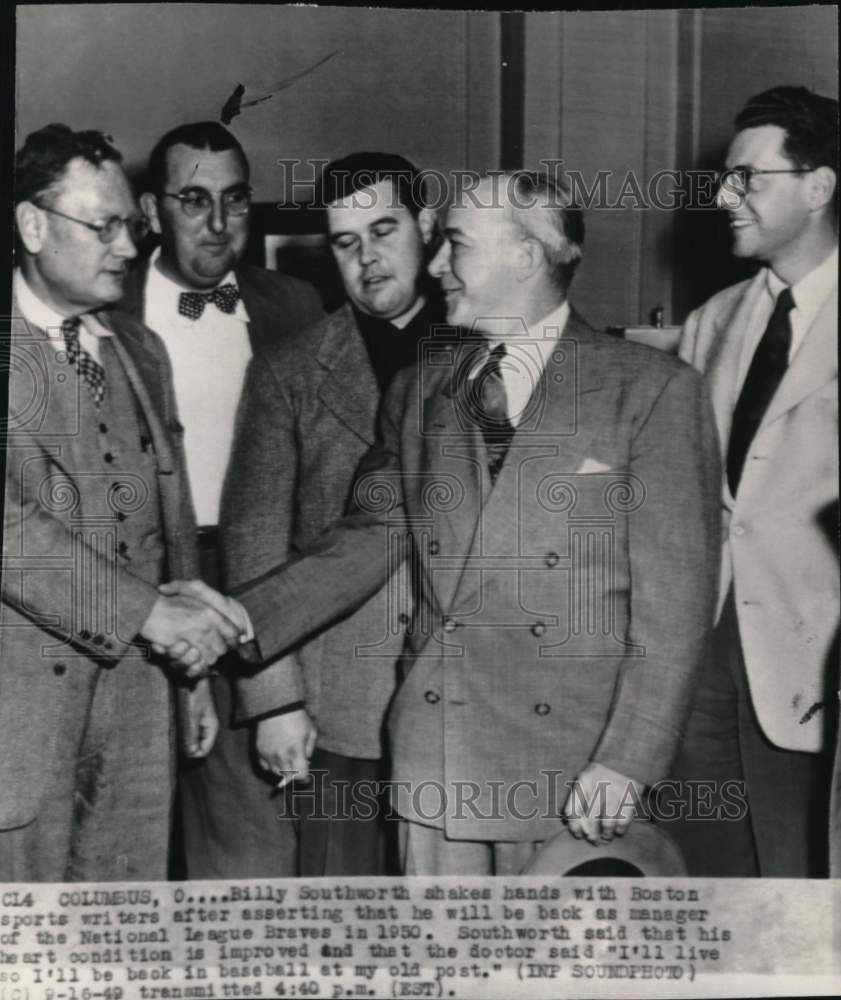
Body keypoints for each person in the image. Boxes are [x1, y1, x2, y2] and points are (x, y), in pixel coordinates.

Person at [174, 168, 720, 874]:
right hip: (439, 757)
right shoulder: (421, 390)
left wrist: (629, 760)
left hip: (576, 769)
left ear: (524, 256)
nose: (434, 265)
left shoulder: (650, 391)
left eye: (455, 244)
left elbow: (674, 608)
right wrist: (241, 619)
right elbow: (367, 539)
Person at [4, 124, 246, 881]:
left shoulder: (142, 349)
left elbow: (172, 523)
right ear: (33, 225)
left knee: (126, 924)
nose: (128, 246)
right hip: (18, 720)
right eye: (103, 226)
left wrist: (191, 681)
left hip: (141, 708)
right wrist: (149, 615)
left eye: (130, 226)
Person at [221, 152, 442, 876]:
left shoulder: (491, 346)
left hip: (474, 702)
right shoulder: (287, 371)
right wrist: (273, 701)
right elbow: (254, 543)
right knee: (342, 912)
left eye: (384, 231)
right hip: (342, 705)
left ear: (427, 225)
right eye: (346, 242)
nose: (366, 257)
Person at [119, 121, 324, 878]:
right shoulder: (106, 307)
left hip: (252, 582)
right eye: (193, 200)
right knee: (123, 830)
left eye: (234, 201)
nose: (216, 223)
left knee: (249, 846)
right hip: (136, 585)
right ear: (152, 210)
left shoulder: (294, 305)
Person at [671, 86, 838, 877]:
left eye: (747, 178)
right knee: (715, 878)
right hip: (708, 647)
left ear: (818, 186)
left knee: (809, 882)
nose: (722, 196)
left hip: (817, 654)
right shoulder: (711, 321)